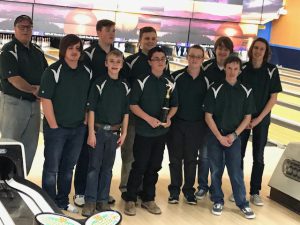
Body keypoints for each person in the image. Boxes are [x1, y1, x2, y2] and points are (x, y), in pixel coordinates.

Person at [39, 34, 91, 213]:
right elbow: (45, 100)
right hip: (57, 129)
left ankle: (62, 202)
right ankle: (48, 203)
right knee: (52, 168)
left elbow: (88, 100)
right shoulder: (53, 70)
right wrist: (54, 126)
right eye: (71, 48)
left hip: (77, 129)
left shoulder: (87, 72)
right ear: (63, 50)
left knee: (68, 168)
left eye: (78, 48)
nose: (74, 52)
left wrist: (84, 122)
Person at [123, 47, 178, 216]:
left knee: (154, 166)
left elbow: (174, 106)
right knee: (139, 165)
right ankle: (131, 199)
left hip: (160, 134)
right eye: (156, 58)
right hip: (143, 132)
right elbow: (133, 105)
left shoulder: (170, 82)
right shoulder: (141, 81)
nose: (160, 61)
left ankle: (148, 198)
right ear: (150, 62)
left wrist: (168, 118)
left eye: (163, 58)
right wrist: (148, 119)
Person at [203, 55, 256, 219]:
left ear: (240, 70)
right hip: (215, 136)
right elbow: (208, 116)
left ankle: (242, 203)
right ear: (225, 68)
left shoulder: (246, 90)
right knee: (216, 169)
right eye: (229, 68)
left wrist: (234, 135)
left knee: (235, 171)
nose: (232, 71)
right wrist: (219, 136)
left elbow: (248, 117)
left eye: (235, 68)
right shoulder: (215, 88)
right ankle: (217, 200)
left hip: (234, 137)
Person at [73, 19, 117, 207]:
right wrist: (85, 111)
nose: (112, 34)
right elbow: (83, 83)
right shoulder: (89, 54)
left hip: (108, 115)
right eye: (108, 30)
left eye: (114, 31)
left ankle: (100, 193)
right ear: (98, 32)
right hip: (91, 113)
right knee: (86, 155)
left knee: (104, 159)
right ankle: (81, 192)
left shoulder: (117, 54)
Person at [82, 49, 129, 216]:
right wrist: (91, 133)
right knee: (94, 167)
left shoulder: (125, 85)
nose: (115, 64)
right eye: (112, 61)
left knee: (108, 168)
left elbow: (126, 112)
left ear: (122, 64)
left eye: (118, 61)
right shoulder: (99, 82)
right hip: (98, 131)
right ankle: (90, 201)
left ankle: (102, 201)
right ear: (106, 63)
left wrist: (123, 133)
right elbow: (91, 109)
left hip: (114, 133)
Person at [0, 15, 48, 174]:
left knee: (30, 146)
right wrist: (35, 90)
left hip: (34, 105)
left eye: (29, 27)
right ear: (15, 29)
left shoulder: (38, 51)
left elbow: (46, 75)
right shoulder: (8, 50)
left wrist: (43, 91)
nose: (26, 30)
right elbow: (14, 79)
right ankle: (4, 181)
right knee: (10, 144)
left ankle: (21, 180)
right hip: (14, 103)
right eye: (22, 27)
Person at [238, 37, 282, 206]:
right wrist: (246, 118)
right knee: (238, 155)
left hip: (261, 120)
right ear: (251, 50)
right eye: (255, 48)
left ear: (266, 52)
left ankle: (255, 191)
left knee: (258, 156)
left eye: (261, 49)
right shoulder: (243, 68)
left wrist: (257, 119)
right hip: (242, 119)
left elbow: (273, 99)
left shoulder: (272, 70)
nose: (257, 51)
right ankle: (238, 189)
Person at [120, 26, 161, 194]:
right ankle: (126, 188)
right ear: (140, 41)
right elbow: (123, 89)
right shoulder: (131, 62)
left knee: (147, 156)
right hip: (133, 118)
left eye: (153, 38)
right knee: (129, 154)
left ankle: (143, 188)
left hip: (153, 120)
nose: (150, 41)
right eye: (147, 38)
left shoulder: (161, 62)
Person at [167, 45, 208, 205]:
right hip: (176, 124)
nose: (194, 59)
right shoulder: (175, 77)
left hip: (196, 126)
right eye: (192, 56)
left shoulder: (206, 80)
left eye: (198, 56)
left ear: (203, 59)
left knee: (191, 160)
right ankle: (174, 191)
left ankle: (189, 191)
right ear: (187, 57)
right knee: (175, 159)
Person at [196, 36, 234, 200]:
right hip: (207, 119)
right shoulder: (206, 67)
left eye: (226, 49)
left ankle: (215, 187)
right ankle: (202, 186)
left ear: (230, 51)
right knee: (204, 155)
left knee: (220, 158)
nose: (223, 51)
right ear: (215, 49)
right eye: (220, 48)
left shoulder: (233, 68)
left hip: (225, 121)